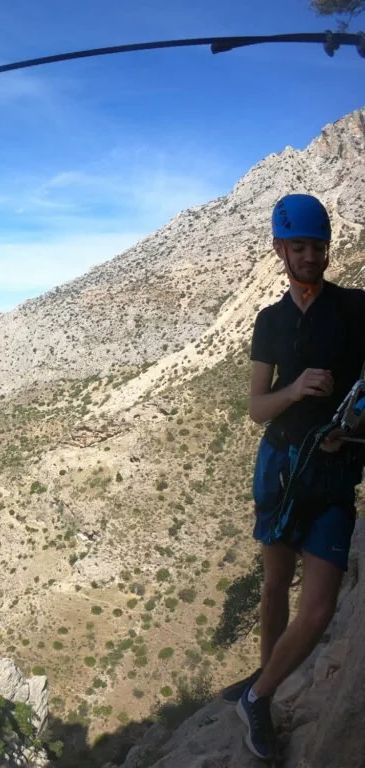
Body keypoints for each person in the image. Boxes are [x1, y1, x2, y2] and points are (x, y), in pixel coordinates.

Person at [221, 194, 365, 760]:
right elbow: (258, 407)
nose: (311, 255)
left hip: (333, 468)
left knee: (321, 606)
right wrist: (295, 389)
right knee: (275, 584)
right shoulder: (271, 322)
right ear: (281, 250)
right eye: (299, 246)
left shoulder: (356, 309)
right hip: (282, 465)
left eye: (318, 245)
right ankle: (265, 681)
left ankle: (256, 695)